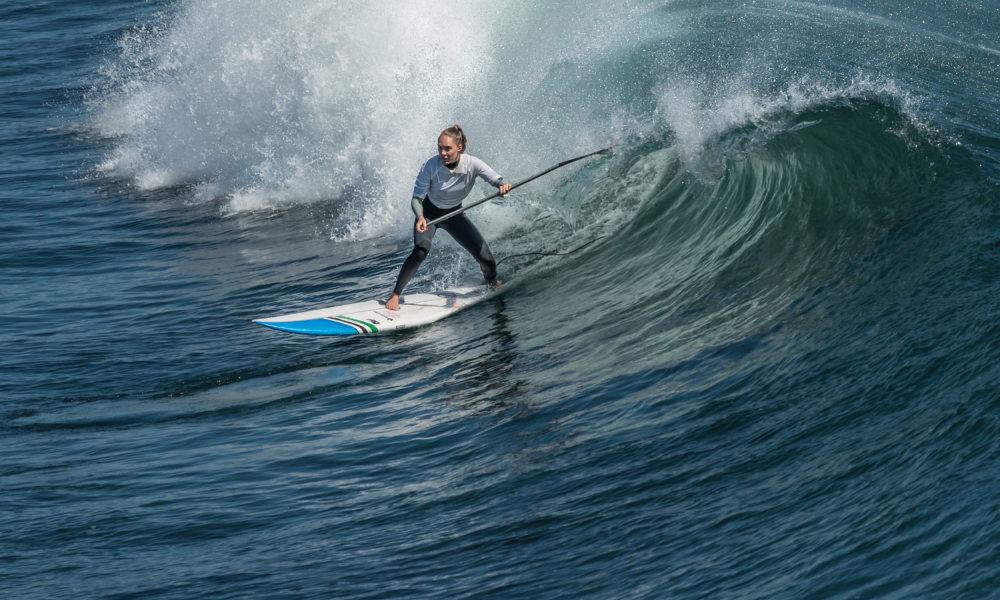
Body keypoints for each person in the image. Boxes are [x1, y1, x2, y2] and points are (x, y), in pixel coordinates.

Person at [385, 125, 512, 311]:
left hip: (454, 215)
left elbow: (498, 180)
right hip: (429, 214)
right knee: (421, 250)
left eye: (447, 148)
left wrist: (503, 187)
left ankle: (491, 283)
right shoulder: (431, 166)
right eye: (440, 148)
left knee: (487, 260)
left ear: (459, 147)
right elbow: (417, 199)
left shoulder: (472, 163)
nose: (442, 153)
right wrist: (420, 217)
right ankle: (396, 294)